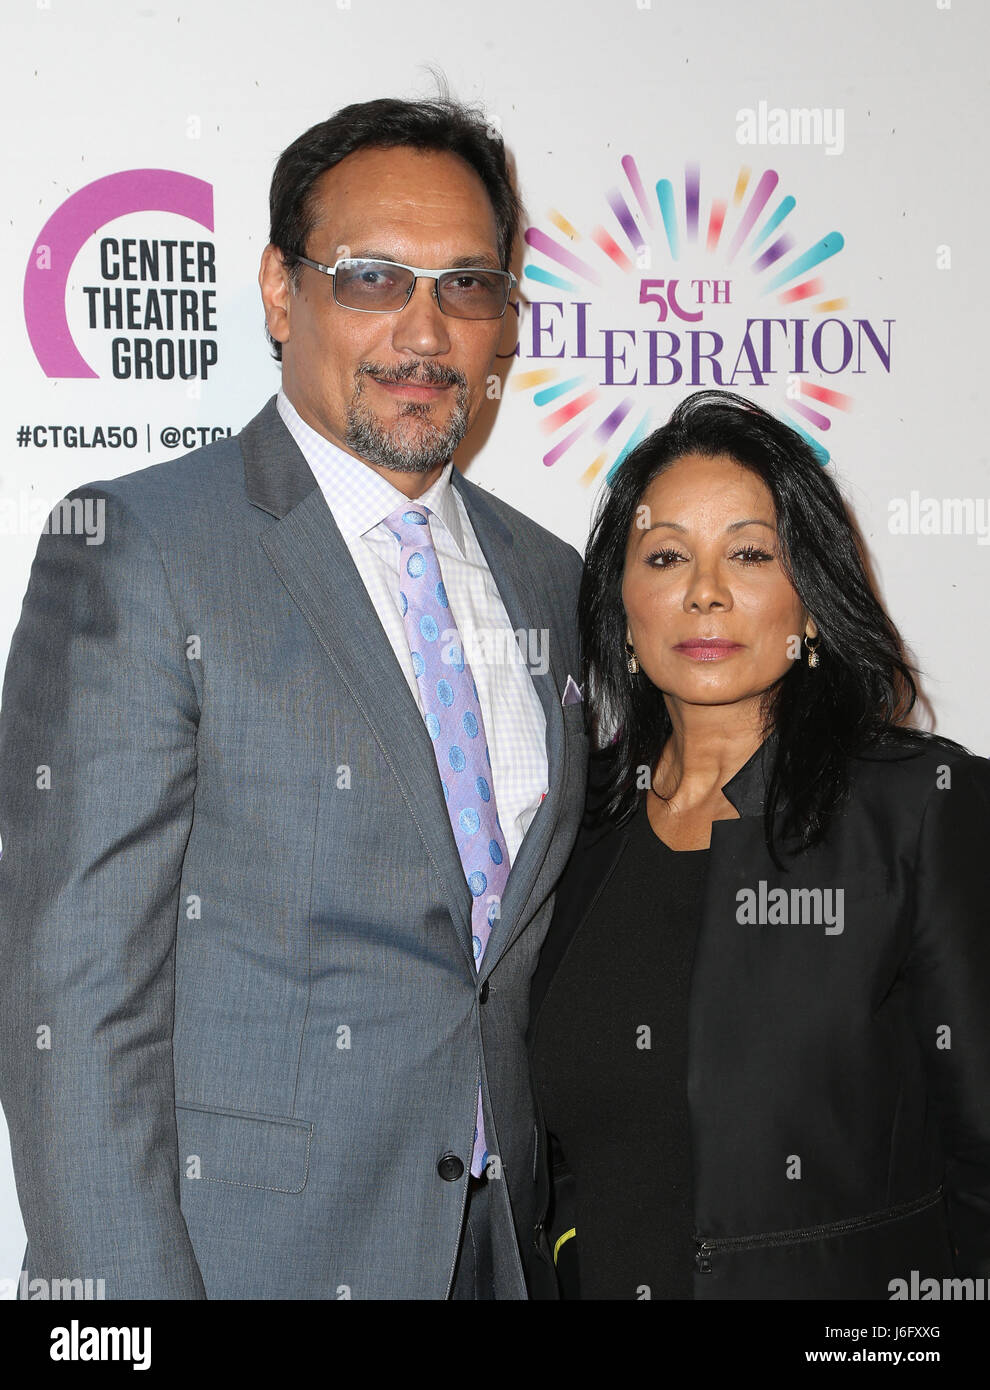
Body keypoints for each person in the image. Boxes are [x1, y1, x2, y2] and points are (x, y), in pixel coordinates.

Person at [0, 96, 589, 1301]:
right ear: (282, 290)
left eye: (468, 286)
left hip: (505, 1259)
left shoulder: (553, 577)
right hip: (243, 1262)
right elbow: (72, 991)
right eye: (374, 277)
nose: (425, 332)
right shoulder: (143, 547)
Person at [527, 389, 990, 1300]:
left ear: (810, 600)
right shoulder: (572, 828)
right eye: (666, 557)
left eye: (748, 552)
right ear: (622, 611)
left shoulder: (922, 812)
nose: (705, 591)